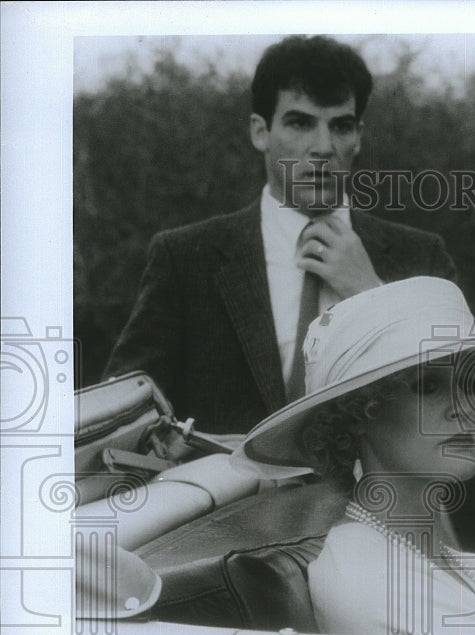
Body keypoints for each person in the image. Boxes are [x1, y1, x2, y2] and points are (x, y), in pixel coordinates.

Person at [102, 35, 457, 435]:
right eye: (300, 123)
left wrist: (371, 295)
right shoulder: (186, 258)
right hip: (234, 497)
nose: (322, 147)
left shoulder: (420, 256)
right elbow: (120, 414)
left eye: (340, 126)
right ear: (260, 132)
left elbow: (463, 401)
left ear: (358, 136)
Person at [241, 277, 475, 635]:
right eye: (427, 385)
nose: (463, 408)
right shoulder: (363, 573)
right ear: (356, 414)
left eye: (468, 385)